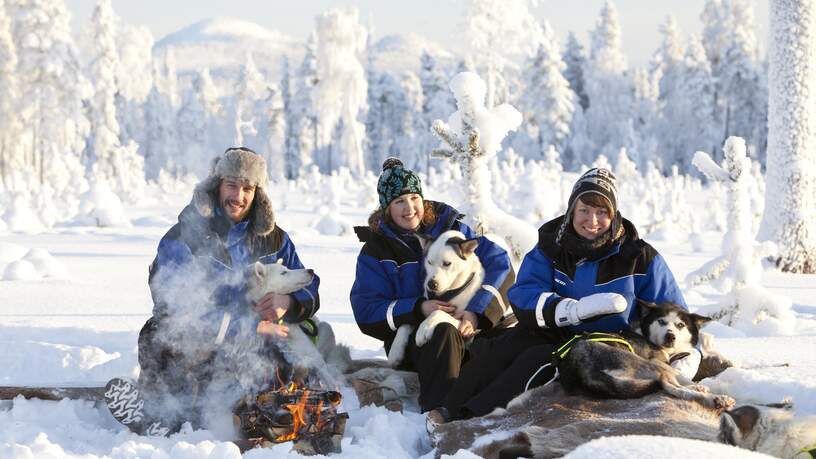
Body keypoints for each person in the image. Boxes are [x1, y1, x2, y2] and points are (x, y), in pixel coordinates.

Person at [429, 168, 690, 424]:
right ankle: (448, 405)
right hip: (557, 326)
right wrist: (567, 310)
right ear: (572, 210)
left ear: (614, 215)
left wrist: (687, 355)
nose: (592, 221)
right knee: (507, 346)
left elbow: (674, 313)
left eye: (602, 212)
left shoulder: (638, 256)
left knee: (538, 360)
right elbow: (524, 292)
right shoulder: (552, 245)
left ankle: (470, 418)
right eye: (584, 210)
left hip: (611, 342)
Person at [132, 147, 320, 434]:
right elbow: (172, 303)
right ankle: (159, 412)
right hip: (201, 342)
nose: (239, 196)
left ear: (257, 193)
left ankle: (266, 414)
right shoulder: (184, 237)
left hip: (252, 349)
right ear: (217, 185)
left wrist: (289, 302)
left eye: (248, 188)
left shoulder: (274, 239)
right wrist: (245, 327)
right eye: (232, 185)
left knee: (297, 346)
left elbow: (308, 284)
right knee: (158, 333)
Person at [349, 158, 514, 414]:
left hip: (469, 326)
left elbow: (500, 264)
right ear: (386, 208)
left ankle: (500, 414)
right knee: (443, 333)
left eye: (414, 198)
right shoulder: (377, 250)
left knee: (515, 341)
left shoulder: (451, 229)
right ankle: (440, 413)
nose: (409, 208)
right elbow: (367, 310)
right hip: (419, 340)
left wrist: (477, 312)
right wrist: (418, 309)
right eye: (399, 201)